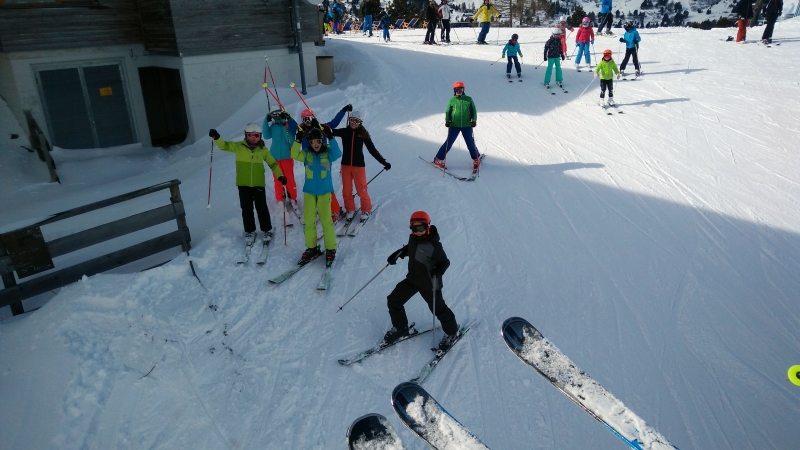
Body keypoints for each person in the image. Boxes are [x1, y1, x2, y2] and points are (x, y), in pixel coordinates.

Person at [385, 211, 460, 351]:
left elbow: (445, 262)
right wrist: (399, 253)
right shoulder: (413, 238)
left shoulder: (434, 246)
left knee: (439, 310)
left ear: (428, 226)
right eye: (415, 228)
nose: (418, 232)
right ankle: (401, 328)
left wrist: (438, 271)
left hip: (429, 284)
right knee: (394, 300)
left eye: (421, 228)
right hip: (413, 280)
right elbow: (411, 248)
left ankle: (452, 332)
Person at [208, 124, 287, 246]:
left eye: (256, 135)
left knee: (261, 208)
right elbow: (224, 146)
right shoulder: (239, 147)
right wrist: (216, 137)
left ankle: (267, 229)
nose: (254, 138)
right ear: (246, 136)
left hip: (258, 184)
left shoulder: (263, 150)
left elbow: (273, 164)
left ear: (260, 136)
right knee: (246, 209)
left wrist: (280, 175)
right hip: (243, 184)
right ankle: (250, 231)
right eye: (251, 135)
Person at [290, 128, 342, 266]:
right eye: (313, 142)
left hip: (325, 192)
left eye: (318, 141)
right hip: (309, 192)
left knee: (326, 221)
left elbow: (337, 153)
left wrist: (331, 137)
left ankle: (330, 249)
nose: (316, 144)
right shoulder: (306, 154)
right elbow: (294, 154)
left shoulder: (328, 152)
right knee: (308, 222)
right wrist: (297, 140)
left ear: (321, 141)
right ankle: (312, 248)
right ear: (310, 143)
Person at [330, 110, 391, 222]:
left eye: (357, 121)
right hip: (345, 165)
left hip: (358, 166)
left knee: (362, 189)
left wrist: (384, 162)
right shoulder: (344, 132)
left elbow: (373, 150)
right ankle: (350, 209)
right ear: (349, 120)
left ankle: (366, 210)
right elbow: (329, 131)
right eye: (352, 120)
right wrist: (319, 126)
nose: (354, 123)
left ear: (360, 122)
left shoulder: (363, 134)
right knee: (346, 191)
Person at [290, 106, 348, 222]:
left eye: (309, 118)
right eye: (304, 119)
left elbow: (335, 122)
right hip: (309, 159)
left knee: (325, 184)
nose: (307, 121)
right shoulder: (302, 130)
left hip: (324, 159)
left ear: (313, 118)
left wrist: (343, 110)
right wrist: (287, 118)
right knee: (313, 185)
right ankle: (319, 208)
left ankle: (336, 210)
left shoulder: (322, 128)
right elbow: (292, 127)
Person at [433, 81, 481, 170]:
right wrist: (448, 121)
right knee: (449, 143)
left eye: (461, 89)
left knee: (470, 142)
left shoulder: (469, 99)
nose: (459, 91)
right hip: (454, 125)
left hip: (466, 125)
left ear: (463, 90)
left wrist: (473, 120)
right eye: (457, 90)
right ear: (454, 90)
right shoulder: (452, 100)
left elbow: (473, 110)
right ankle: (438, 159)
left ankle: (476, 158)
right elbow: (448, 112)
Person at [262, 109, 299, 211]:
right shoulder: (273, 126)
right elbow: (266, 135)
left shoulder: (287, 125)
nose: (276, 117)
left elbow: (291, 141)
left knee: (289, 178)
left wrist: (285, 124)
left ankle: (292, 198)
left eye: (278, 115)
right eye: (274, 115)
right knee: (278, 179)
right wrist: (266, 120)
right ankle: (280, 199)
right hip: (275, 157)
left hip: (287, 156)